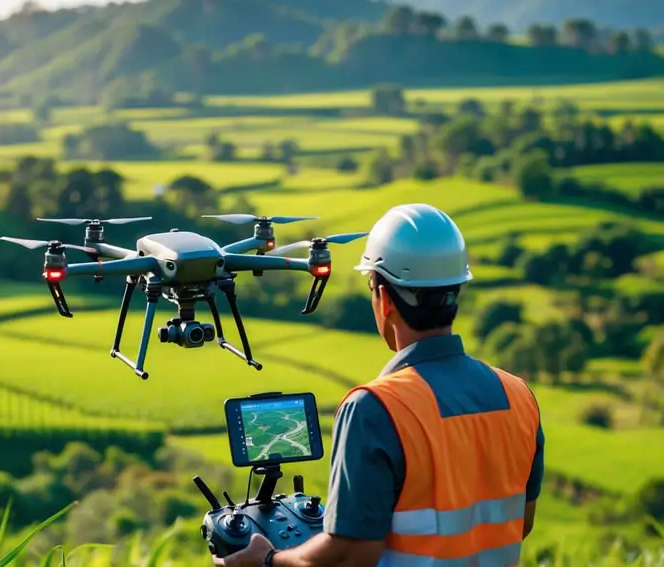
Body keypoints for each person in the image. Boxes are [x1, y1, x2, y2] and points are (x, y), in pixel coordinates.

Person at [213, 203, 545, 567]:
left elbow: (353, 554)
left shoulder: (375, 409)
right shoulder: (519, 395)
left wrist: (267, 560)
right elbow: (522, 523)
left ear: (384, 299)